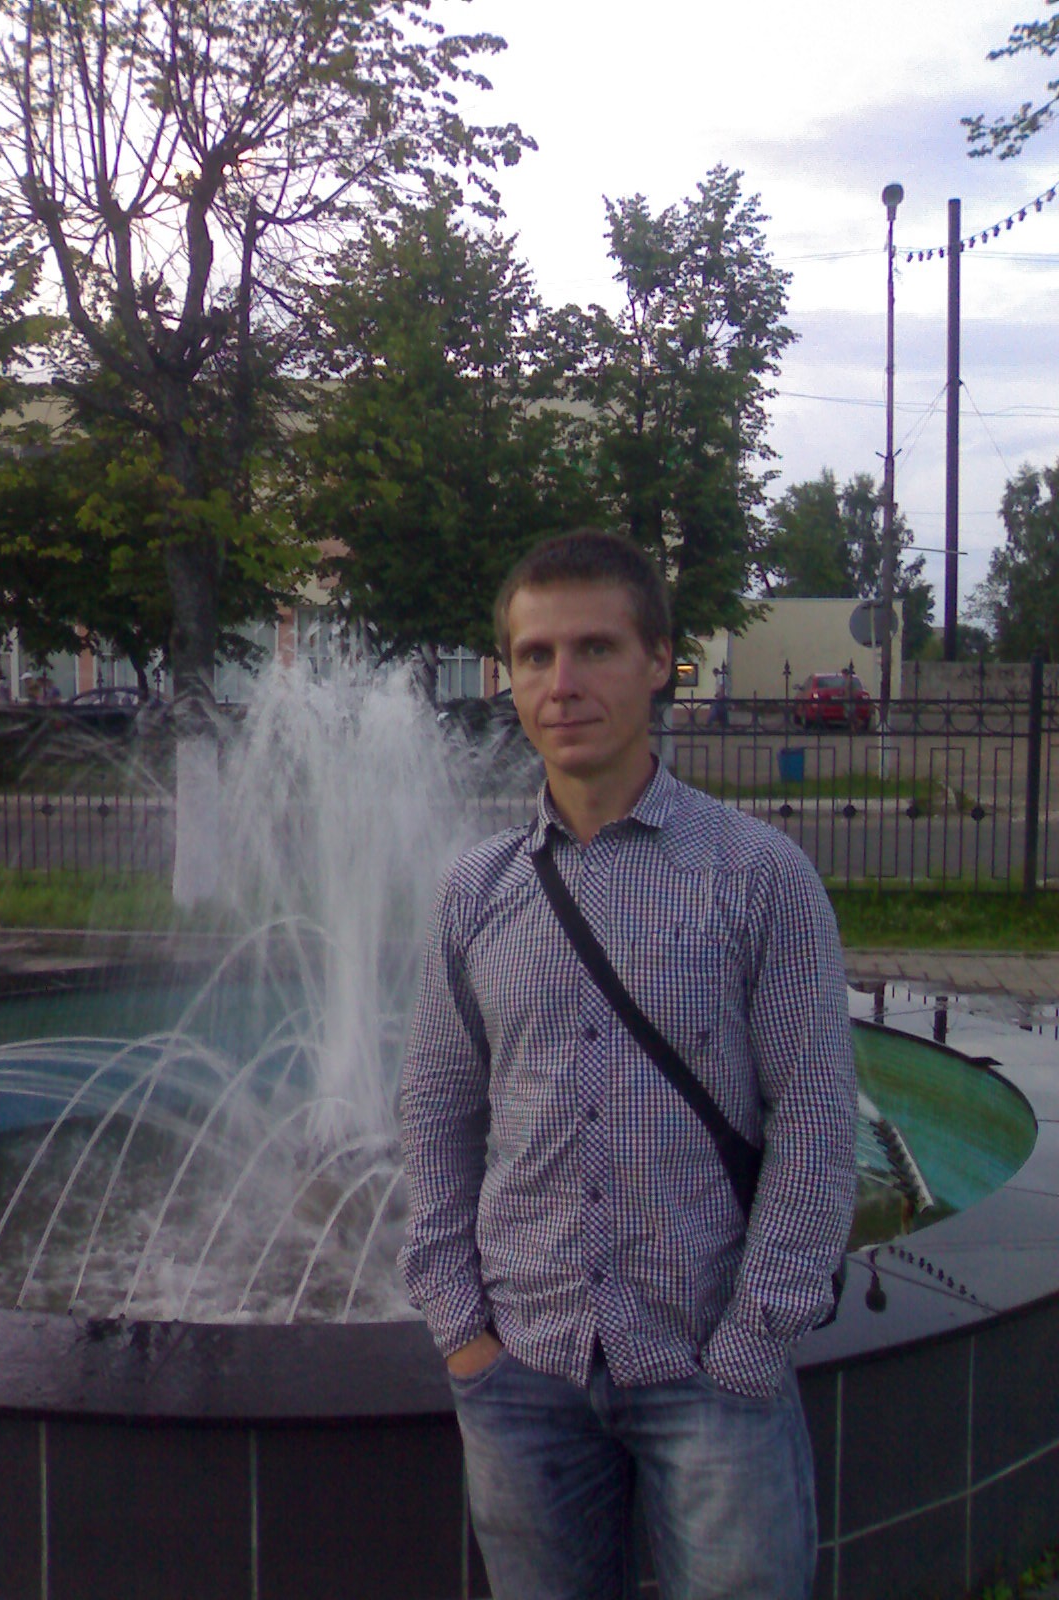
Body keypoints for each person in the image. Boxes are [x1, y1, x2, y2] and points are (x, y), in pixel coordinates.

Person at [399, 529, 856, 1600]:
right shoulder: (477, 891)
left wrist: (752, 1344)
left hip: (710, 1369)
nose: (563, 683)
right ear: (508, 674)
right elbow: (436, 1108)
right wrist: (461, 1328)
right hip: (525, 1372)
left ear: (658, 661)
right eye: (535, 655)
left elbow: (815, 1118)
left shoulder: (758, 876)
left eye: (595, 648)